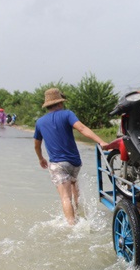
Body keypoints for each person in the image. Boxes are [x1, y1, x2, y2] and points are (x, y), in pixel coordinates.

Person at [34, 88, 108, 225]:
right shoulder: (67, 114)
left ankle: (72, 226)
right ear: (60, 103)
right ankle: (80, 215)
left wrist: (41, 158)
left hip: (58, 165)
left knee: (65, 198)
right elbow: (82, 128)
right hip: (75, 163)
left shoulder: (40, 122)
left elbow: (37, 145)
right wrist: (101, 141)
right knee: (74, 189)